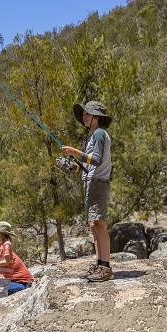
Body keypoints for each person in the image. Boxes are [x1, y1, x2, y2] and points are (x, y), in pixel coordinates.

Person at [61, 101, 114, 282]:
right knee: (93, 224)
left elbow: (97, 160)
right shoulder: (92, 137)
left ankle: (105, 267)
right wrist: (71, 166)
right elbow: (86, 167)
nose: (84, 117)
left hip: (98, 183)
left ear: (97, 117)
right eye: (83, 114)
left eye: (87, 114)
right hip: (91, 182)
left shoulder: (99, 133)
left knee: (99, 223)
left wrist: (75, 152)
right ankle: (99, 264)